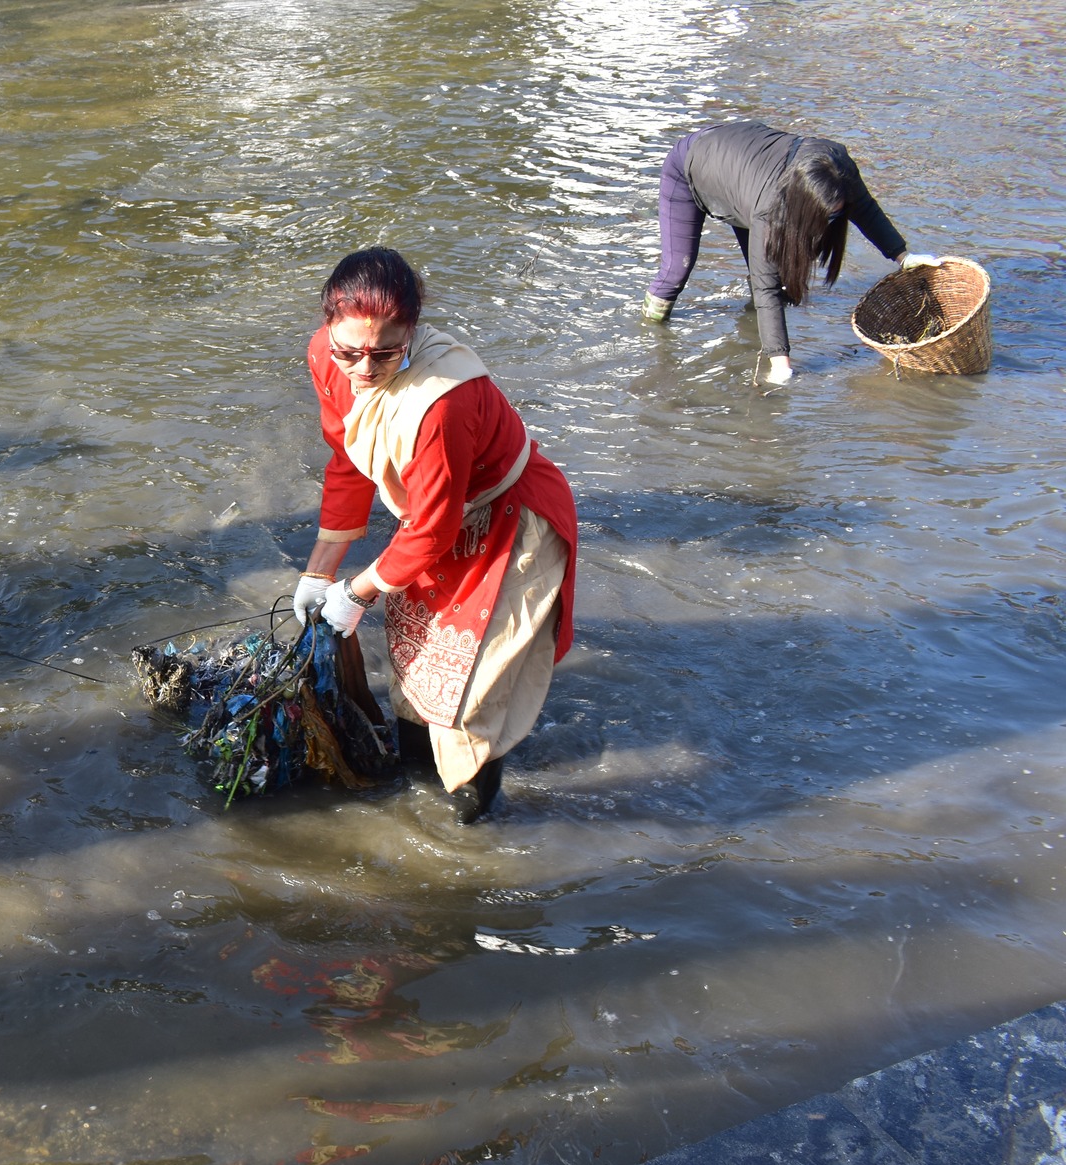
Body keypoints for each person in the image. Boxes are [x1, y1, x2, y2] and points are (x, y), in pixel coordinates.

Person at [290, 248, 578, 824]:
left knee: (468, 692)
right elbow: (349, 462)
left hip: (507, 520)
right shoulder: (327, 359)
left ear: (412, 334)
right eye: (350, 352)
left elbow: (433, 525)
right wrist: (320, 572)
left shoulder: (440, 399)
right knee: (418, 664)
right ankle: (416, 800)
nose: (364, 370)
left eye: (385, 352)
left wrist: (359, 592)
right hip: (434, 519)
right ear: (327, 327)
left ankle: (468, 836)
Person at [640, 120, 939, 383]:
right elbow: (767, 287)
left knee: (768, 280)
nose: (830, 224)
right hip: (693, 164)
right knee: (676, 271)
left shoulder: (838, 168)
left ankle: (750, 330)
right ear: (802, 208)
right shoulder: (770, 211)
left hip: (745, 172)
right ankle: (649, 332)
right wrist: (780, 365)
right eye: (826, 217)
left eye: (835, 215)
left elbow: (866, 209)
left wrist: (903, 257)